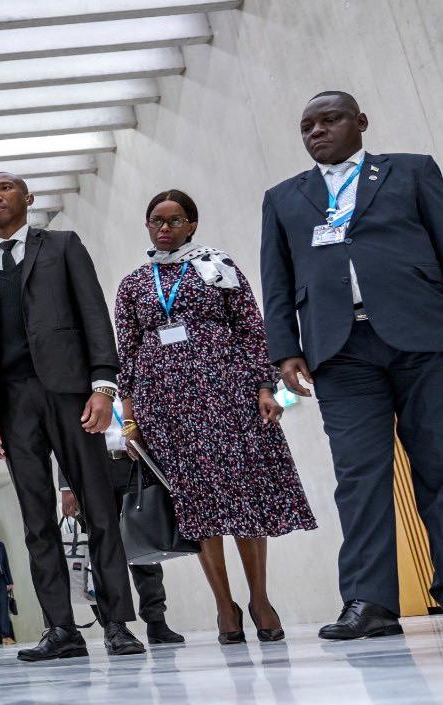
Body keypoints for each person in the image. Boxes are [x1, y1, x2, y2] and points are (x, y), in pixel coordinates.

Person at [261, 91, 443, 640]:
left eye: (330, 120)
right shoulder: (283, 198)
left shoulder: (411, 172)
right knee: (358, 476)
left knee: (437, 461)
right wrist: (284, 351)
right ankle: (369, 601)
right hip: (338, 351)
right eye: (307, 126)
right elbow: (277, 280)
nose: (317, 131)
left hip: (422, 335)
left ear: (360, 122)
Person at [0, 172, 146, 661]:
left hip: (70, 393)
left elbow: (94, 314)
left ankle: (118, 624)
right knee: (36, 519)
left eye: (4, 189)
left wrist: (104, 385)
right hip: (13, 404)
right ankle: (60, 628)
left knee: (99, 508)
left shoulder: (62, 246)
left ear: (28, 198)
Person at [117, 189, 317, 643]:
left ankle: (259, 599)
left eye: (174, 220)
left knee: (243, 499)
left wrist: (266, 387)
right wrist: (128, 415)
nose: (164, 228)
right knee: (197, 507)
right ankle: (224, 606)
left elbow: (251, 329)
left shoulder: (218, 268)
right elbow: (125, 351)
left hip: (228, 395)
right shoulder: (133, 284)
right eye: (156, 220)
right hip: (166, 406)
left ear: (192, 225)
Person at [61, 413, 185, 645]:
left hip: (131, 463)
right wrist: (66, 485)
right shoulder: (76, 384)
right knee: (100, 550)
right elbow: (64, 437)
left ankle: (156, 620)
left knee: (142, 543)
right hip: (92, 469)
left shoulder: (127, 384)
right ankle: (112, 624)